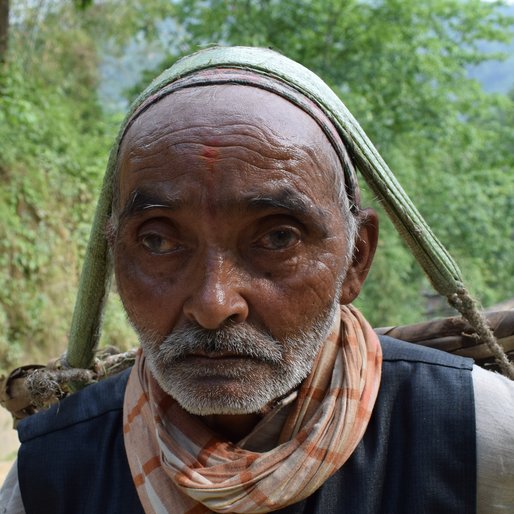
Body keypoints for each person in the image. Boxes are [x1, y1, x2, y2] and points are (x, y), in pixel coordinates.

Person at [1, 46, 513, 514]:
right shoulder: (49, 475)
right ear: (115, 260)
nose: (213, 302)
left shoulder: (479, 435)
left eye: (277, 238)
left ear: (356, 257)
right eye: (158, 241)